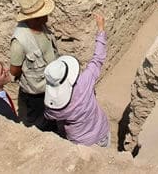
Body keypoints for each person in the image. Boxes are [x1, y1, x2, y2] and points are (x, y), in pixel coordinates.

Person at [43, 13, 110, 148]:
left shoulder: (55, 106)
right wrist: (101, 29)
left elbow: (49, 116)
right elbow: (97, 59)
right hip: (101, 132)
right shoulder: (85, 82)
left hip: (79, 143)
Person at [9, 0, 59, 131]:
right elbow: (14, 70)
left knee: (51, 116)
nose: (47, 15)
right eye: (43, 13)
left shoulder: (42, 27)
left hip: (49, 84)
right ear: (34, 18)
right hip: (35, 91)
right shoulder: (19, 42)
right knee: (38, 121)